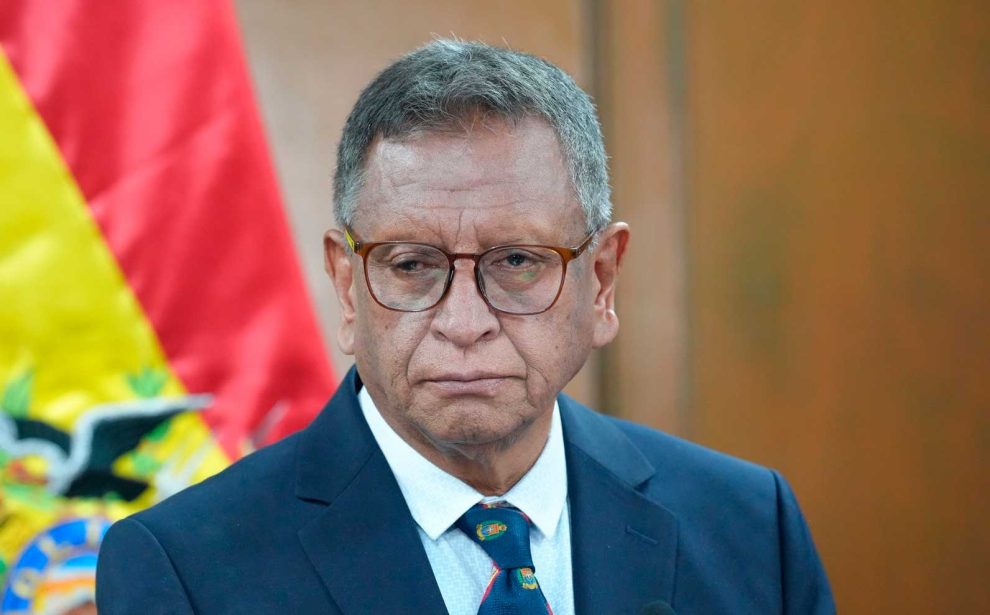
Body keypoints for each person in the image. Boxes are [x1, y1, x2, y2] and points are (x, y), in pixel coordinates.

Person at [96, 40, 834, 614]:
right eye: (412, 264)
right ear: (348, 287)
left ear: (602, 281)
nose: (463, 321)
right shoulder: (183, 568)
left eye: (517, 261)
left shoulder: (749, 525)